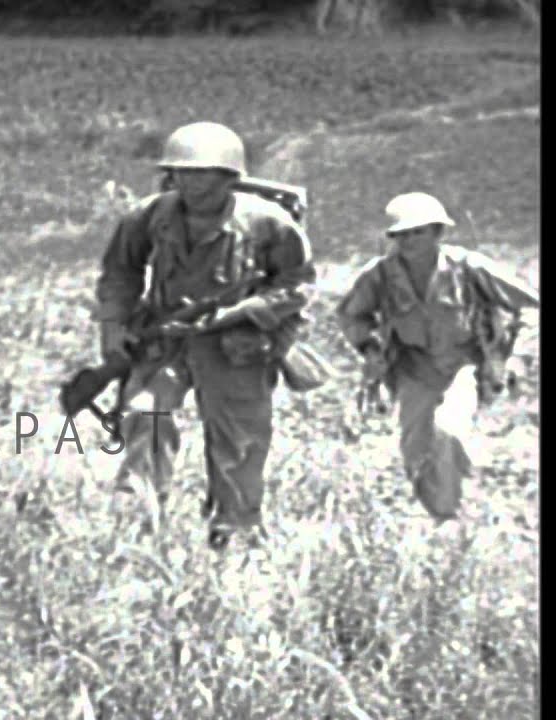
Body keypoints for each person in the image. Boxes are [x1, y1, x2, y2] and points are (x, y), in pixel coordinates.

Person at [94, 121, 318, 550]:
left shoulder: (266, 222)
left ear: (229, 177)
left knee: (238, 438)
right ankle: (139, 525)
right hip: (167, 336)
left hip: (233, 344)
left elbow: (297, 285)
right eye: (182, 173)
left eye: (204, 175)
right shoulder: (150, 216)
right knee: (145, 414)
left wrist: (244, 313)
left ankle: (235, 531)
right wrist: (113, 326)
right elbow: (119, 273)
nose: (192, 184)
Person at [335, 192, 539, 521]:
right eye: (401, 234)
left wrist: (517, 358)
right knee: (415, 454)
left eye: (418, 232)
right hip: (413, 369)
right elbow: (350, 315)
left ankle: (454, 512)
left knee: (449, 432)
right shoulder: (380, 275)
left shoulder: (468, 268)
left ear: (437, 232)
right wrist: (369, 347)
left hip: (463, 366)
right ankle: (438, 515)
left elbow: (531, 308)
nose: (409, 241)